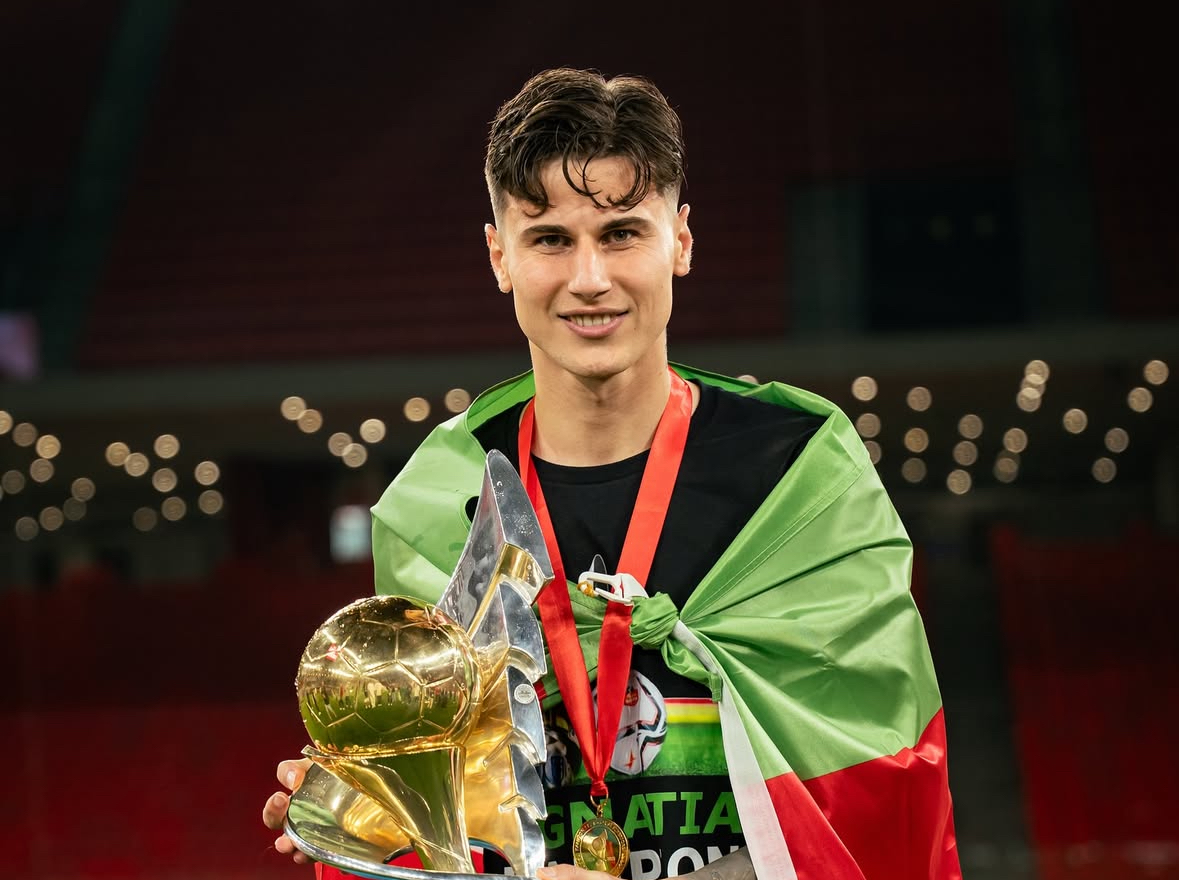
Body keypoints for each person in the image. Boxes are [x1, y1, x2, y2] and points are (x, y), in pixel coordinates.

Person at [264, 67, 962, 880]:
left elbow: (878, 809)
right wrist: (372, 821)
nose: (589, 279)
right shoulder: (443, 500)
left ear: (681, 241)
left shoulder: (796, 471)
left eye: (622, 233)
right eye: (549, 239)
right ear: (499, 256)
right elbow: (454, 827)